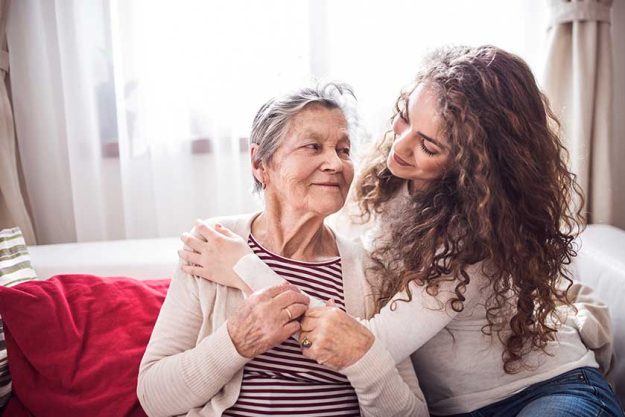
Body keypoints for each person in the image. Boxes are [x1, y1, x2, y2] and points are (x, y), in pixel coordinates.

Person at [178, 46, 624, 416]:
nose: (401, 145)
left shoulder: (475, 229)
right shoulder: (383, 177)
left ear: (475, 164)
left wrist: (243, 268)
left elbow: (365, 344)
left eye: (429, 145)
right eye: (405, 116)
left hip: (547, 392)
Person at [137, 83, 428, 417]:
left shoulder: (369, 272)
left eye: (344, 150)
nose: (335, 163)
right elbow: (154, 397)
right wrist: (235, 341)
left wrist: (361, 356)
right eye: (313, 146)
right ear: (261, 162)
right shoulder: (213, 244)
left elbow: (413, 413)